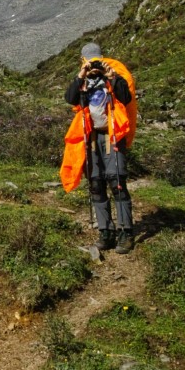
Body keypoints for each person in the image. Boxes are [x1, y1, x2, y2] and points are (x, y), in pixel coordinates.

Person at [64, 42, 135, 254]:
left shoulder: (113, 76)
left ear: (102, 58)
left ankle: (126, 232)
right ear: (83, 60)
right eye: (88, 60)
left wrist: (111, 77)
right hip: (92, 138)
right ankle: (106, 232)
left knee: (117, 181)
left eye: (96, 60)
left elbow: (126, 97)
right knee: (96, 182)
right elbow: (70, 98)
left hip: (112, 136)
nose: (93, 64)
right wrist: (80, 76)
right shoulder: (83, 80)